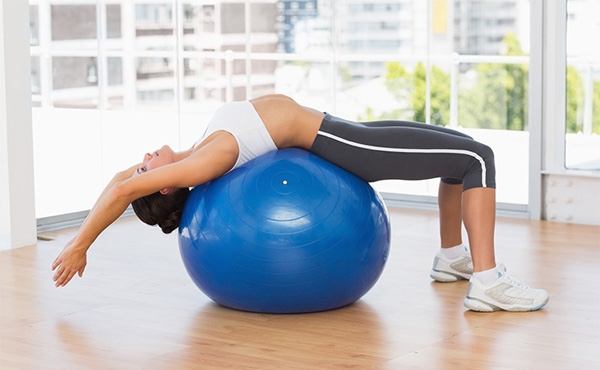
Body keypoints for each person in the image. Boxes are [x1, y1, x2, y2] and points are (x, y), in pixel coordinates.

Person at [51, 94, 549, 312]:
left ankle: (452, 258)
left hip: (340, 129)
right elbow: (124, 189)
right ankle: (486, 282)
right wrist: (80, 244)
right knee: (476, 158)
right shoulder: (210, 159)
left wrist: (124, 187)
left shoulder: (195, 149)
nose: (140, 160)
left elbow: (119, 181)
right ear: (163, 185)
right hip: (341, 144)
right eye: (146, 169)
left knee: (457, 154)